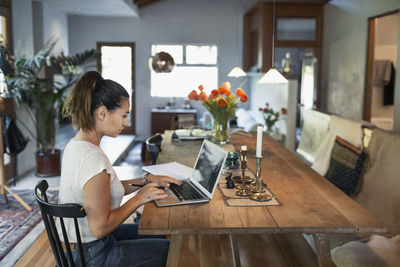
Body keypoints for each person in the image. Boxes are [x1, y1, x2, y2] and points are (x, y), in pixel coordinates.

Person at [59, 71, 181, 266]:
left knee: (159, 231)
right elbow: (100, 227)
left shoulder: (77, 145)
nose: (127, 122)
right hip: (96, 253)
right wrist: (139, 199)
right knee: (167, 249)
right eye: (124, 115)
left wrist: (145, 181)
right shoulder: (92, 159)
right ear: (102, 113)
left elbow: (107, 190)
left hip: (88, 245)